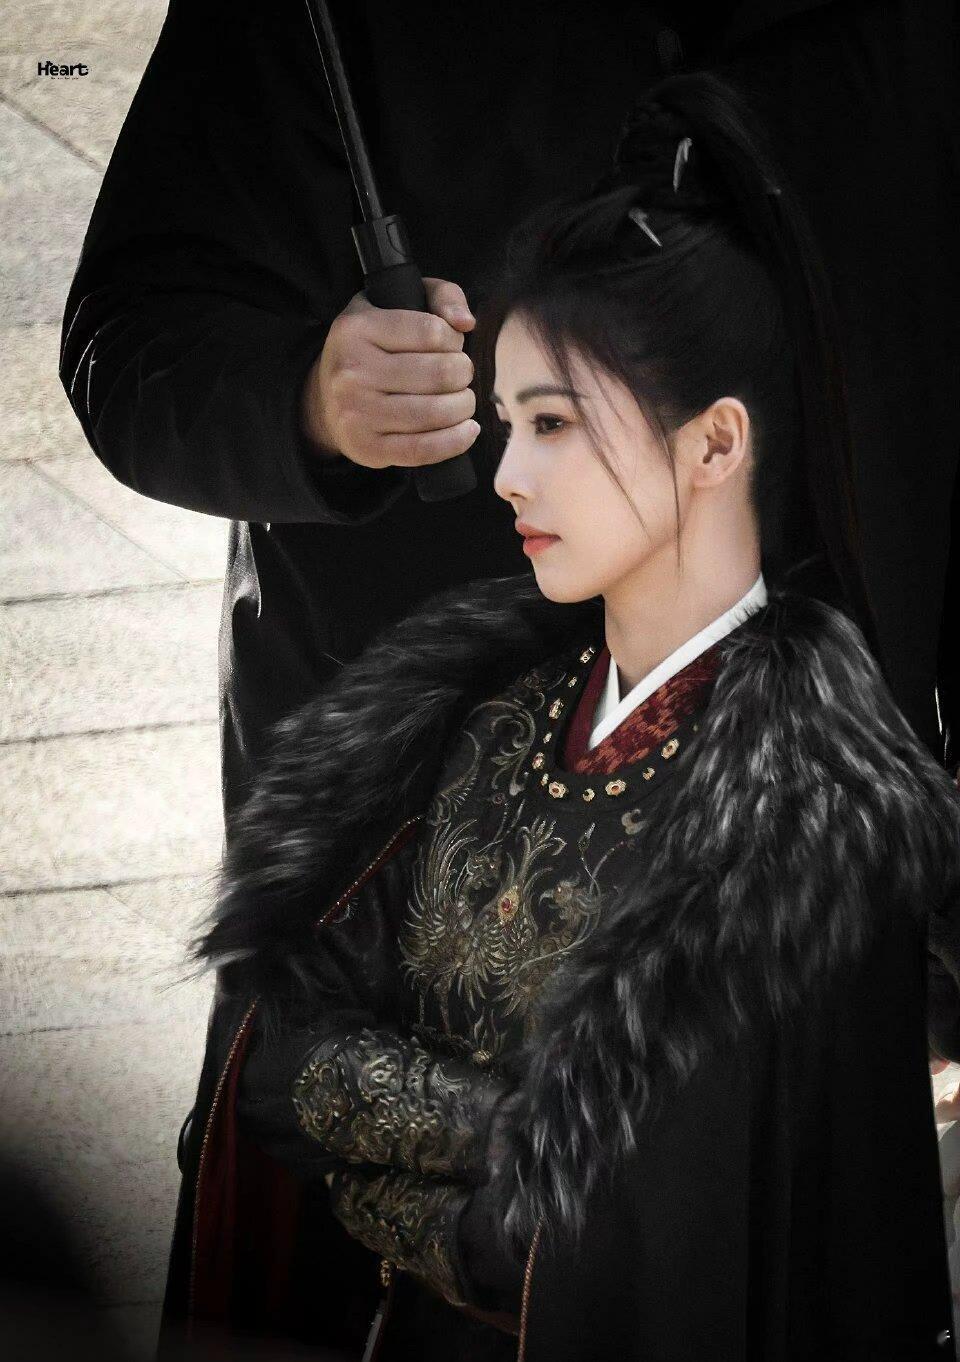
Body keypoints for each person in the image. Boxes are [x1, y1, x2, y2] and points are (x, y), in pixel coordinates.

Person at [167, 69, 960, 1362]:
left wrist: (400, 1164)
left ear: (716, 445)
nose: (506, 474)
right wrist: (506, 1145)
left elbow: (634, 1237)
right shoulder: (473, 712)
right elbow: (276, 1058)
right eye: (506, 421)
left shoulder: (819, 813)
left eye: (553, 424)